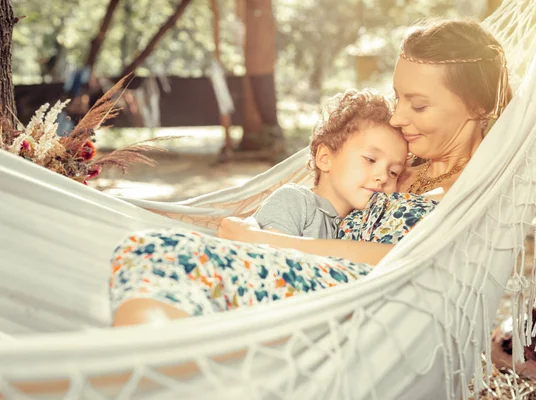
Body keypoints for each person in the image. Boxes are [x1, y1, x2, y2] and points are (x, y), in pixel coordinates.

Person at [110, 17, 512, 326]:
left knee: (157, 252)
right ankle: (159, 367)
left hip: (355, 306)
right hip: (309, 283)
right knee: (144, 247)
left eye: (418, 105)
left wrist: (267, 243)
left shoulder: (471, 188)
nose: (398, 115)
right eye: (397, 97)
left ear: (477, 107)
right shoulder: (398, 159)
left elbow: (400, 259)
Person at [252, 88, 407, 239]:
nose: (383, 177)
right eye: (370, 159)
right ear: (325, 158)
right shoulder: (294, 201)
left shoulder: (363, 227)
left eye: (393, 172)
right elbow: (269, 254)